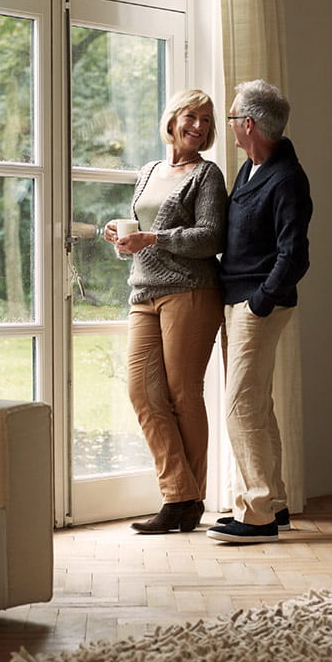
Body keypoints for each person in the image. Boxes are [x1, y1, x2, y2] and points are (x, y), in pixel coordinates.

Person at [103, 89, 228, 534]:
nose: (201, 126)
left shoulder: (207, 175)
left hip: (191, 292)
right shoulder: (150, 171)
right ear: (173, 119)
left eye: (209, 121)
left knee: (182, 394)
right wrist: (123, 239)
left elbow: (210, 237)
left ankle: (184, 504)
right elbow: (144, 237)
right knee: (142, 392)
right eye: (193, 116)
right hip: (144, 293)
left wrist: (152, 239)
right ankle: (181, 493)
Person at [206, 79, 312, 544]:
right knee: (257, 405)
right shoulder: (249, 169)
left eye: (232, 117)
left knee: (238, 408)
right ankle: (276, 503)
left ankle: (257, 516)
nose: (229, 125)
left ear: (248, 124)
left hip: (257, 304)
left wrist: (260, 300)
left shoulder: (287, 177)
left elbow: (296, 254)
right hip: (240, 300)